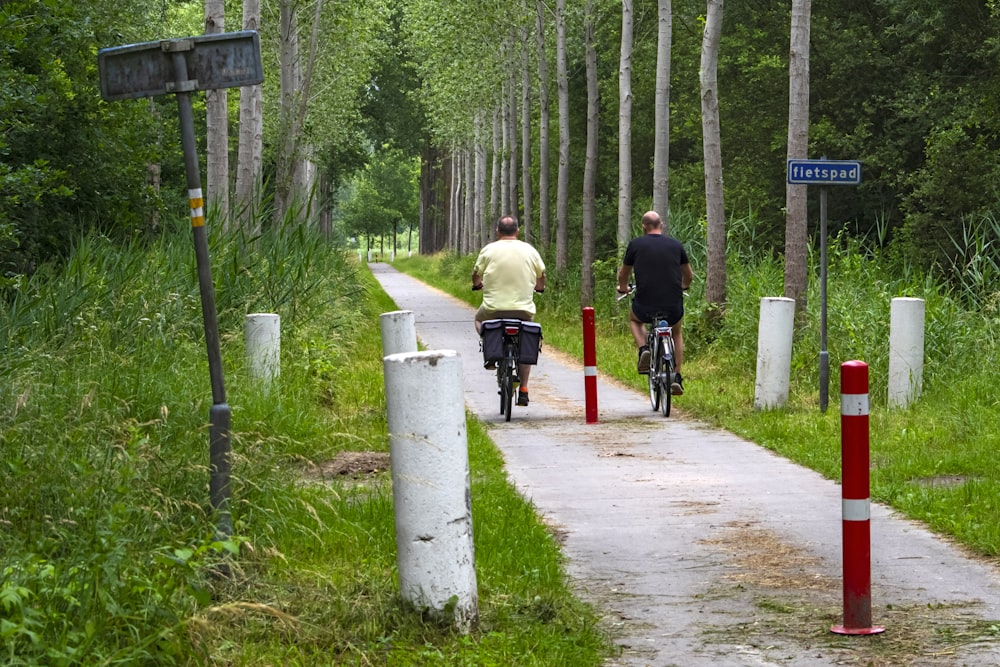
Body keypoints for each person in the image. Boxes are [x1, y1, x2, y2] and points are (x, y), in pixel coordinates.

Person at [616, 210, 694, 395]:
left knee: (635, 319)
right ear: (661, 225)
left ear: (644, 227)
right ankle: (676, 376)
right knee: (676, 331)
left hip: (645, 303)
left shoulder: (635, 245)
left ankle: (644, 348)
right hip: (672, 303)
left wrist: (623, 287)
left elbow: (623, 274)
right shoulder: (676, 245)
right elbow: (688, 275)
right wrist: (683, 286)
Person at [471, 215, 546, 407]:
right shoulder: (529, 250)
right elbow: (541, 274)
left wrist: (477, 284)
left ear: (497, 231)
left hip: (493, 309)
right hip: (523, 310)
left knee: (478, 320)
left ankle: (491, 349)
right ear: (517, 231)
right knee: (528, 337)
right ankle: (524, 389)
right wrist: (539, 287)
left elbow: (476, 273)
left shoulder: (489, 250)